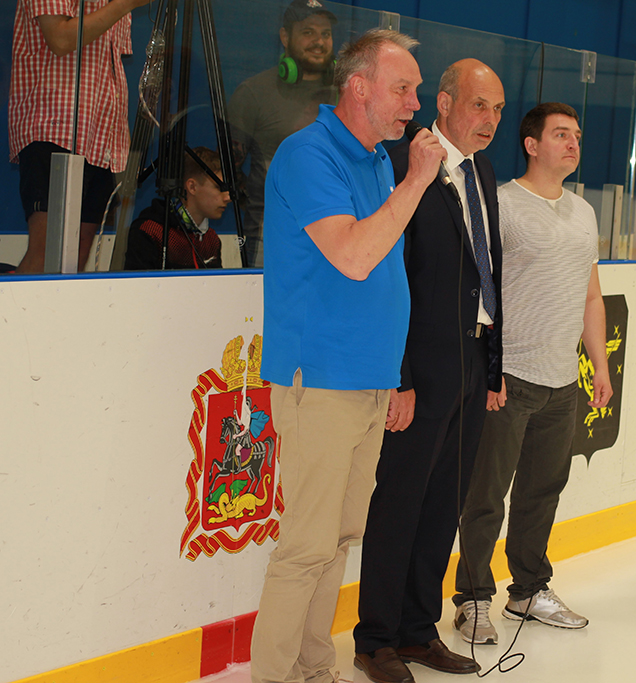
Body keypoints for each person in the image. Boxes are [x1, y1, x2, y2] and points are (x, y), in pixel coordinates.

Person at [249, 29, 446, 683]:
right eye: (403, 88)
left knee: (336, 540)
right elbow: (355, 256)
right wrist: (416, 182)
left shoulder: (378, 160)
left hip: (367, 380)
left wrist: (393, 377)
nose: (414, 103)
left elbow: (383, 276)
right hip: (321, 380)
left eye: (415, 90)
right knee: (306, 545)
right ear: (359, 87)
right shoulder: (309, 154)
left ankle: (312, 667)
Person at [352, 58, 504, 683]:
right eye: (478, 105)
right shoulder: (405, 164)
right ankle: (375, 640)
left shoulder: (482, 170)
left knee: (444, 505)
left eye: (497, 109)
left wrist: (493, 365)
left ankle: (418, 630)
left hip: (472, 362)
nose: (490, 119)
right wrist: (402, 376)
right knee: (400, 503)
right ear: (443, 103)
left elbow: (489, 271)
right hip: (421, 366)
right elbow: (390, 278)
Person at [452, 103, 612, 644]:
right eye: (561, 134)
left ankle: (527, 590)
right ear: (531, 144)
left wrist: (599, 365)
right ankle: (473, 598)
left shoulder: (584, 212)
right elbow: (480, 295)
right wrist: (489, 370)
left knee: (542, 492)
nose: (573, 143)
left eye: (577, 135)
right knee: (486, 495)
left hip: (562, 383)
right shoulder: (500, 205)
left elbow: (591, 296)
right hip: (510, 379)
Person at [9, 0, 153, 274]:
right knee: (48, 251)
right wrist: (125, 4)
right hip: (56, 126)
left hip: (103, 134)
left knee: (78, 252)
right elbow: (60, 39)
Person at [227, 0, 339, 267]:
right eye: (308, 32)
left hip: (337, 233)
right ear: (285, 37)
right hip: (270, 237)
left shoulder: (347, 96)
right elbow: (228, 172)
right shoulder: (254, 92)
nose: (319, 42)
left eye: (325, 34)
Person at [124, 146, 228, 270]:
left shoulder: (211, 240)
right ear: (192, 187)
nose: (228, 197)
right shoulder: (151, 231)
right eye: (219, 188)